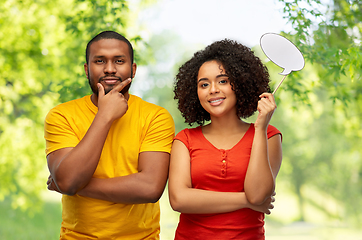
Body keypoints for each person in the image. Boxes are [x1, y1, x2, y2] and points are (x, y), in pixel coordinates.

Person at [44, 30, 175, 239]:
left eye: (119, 61)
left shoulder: (156, 117)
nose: (110, 69)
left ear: (133, 69)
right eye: (100, 61)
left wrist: (80, 187)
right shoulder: (61, 116)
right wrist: (104, 116)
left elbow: (150, 188)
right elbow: (68, 181)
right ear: (87, 69)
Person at [168, 39, 282, 239]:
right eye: (204, 84)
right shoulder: (184, 140)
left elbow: (257, 194)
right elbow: (179, 200)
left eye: (223, 81)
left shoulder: (269, 135)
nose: (213, 89)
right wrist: (245, 201)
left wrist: (260, 128)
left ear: (240, 83)